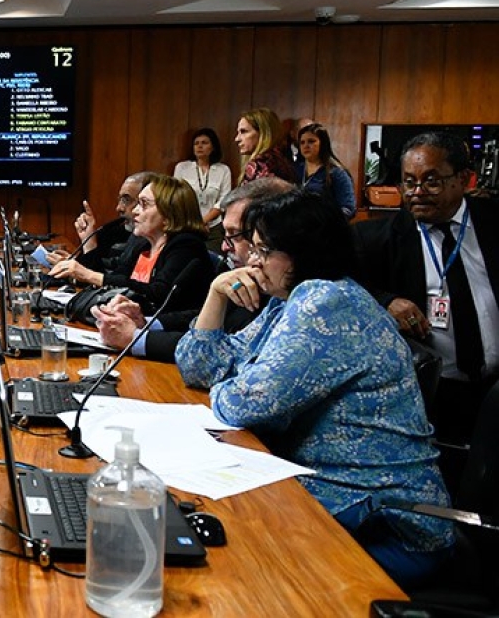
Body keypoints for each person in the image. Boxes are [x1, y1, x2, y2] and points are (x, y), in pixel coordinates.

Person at [176, 192, 454, 588]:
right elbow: (199, 367)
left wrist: (231, 382)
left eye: (263, 250)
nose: (251, 262)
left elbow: (243, 403)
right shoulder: (285, 300)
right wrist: (216, 294)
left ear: (303, 252)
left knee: (231, 564)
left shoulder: (327, 301)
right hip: (331, 494)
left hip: (388, 520)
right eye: (252, 248)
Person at [354, 131, 499, 444]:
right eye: (409, 181)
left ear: (464, 180)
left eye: (431, 181)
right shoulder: (375, 240)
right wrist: (386, 301)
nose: (417, 192)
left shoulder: (492, 223)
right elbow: (341, 286)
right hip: (431, 392)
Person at [94, 177, 295, 360]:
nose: (225, 247)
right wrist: (145, 322)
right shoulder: (140, 244)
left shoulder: (289, 296)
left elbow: (217, 350)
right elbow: (201, 319)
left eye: (235, 234)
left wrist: (136, 338)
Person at [50, 174, 214, 312]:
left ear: (169, 213)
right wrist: (88, 246)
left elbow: (158, 294)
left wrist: (89, 275)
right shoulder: (143, 245)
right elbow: (112, 280)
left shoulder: (187, 245)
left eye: (144, 204)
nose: (135, 211)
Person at [47, 172, 154, 275]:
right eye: (120, 199)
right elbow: (102, 272)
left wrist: (87, 251)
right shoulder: (117, 231)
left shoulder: (147, 242)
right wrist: (75, 261)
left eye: (127, 200)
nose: (119, 208)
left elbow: (110, 281)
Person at [173, 127, 233, 249]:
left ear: (213, 147)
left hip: (214, 227)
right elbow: (176, 196)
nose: (199, 146)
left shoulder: (223, 170)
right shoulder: (182, 168)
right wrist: (195, 224)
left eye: (204, 143)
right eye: (196, 143)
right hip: (187, 225)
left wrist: (203, 221)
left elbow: (224, 200)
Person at [294, 122, 356, 217]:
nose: (305, 146)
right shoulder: (295, 169)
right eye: (302, 142)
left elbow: (348, 208)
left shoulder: (337, 173)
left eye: (311, 141)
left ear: (323, 143)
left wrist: (326, 223)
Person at [234, 107, 296, 184]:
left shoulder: (260, 163)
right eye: (238, 132)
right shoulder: (283, 159)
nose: (237, 139)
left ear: (263, 133)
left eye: (244, 131)